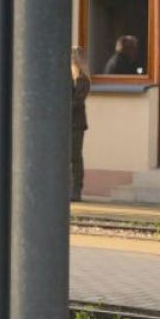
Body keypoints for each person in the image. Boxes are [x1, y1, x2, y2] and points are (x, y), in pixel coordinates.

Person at [72, 47, 91, 202]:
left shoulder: (83, 79)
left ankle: (76, 190)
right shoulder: (67, 78)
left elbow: (77, 102)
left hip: (76, 123)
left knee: (74, 156)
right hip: (66, 122)